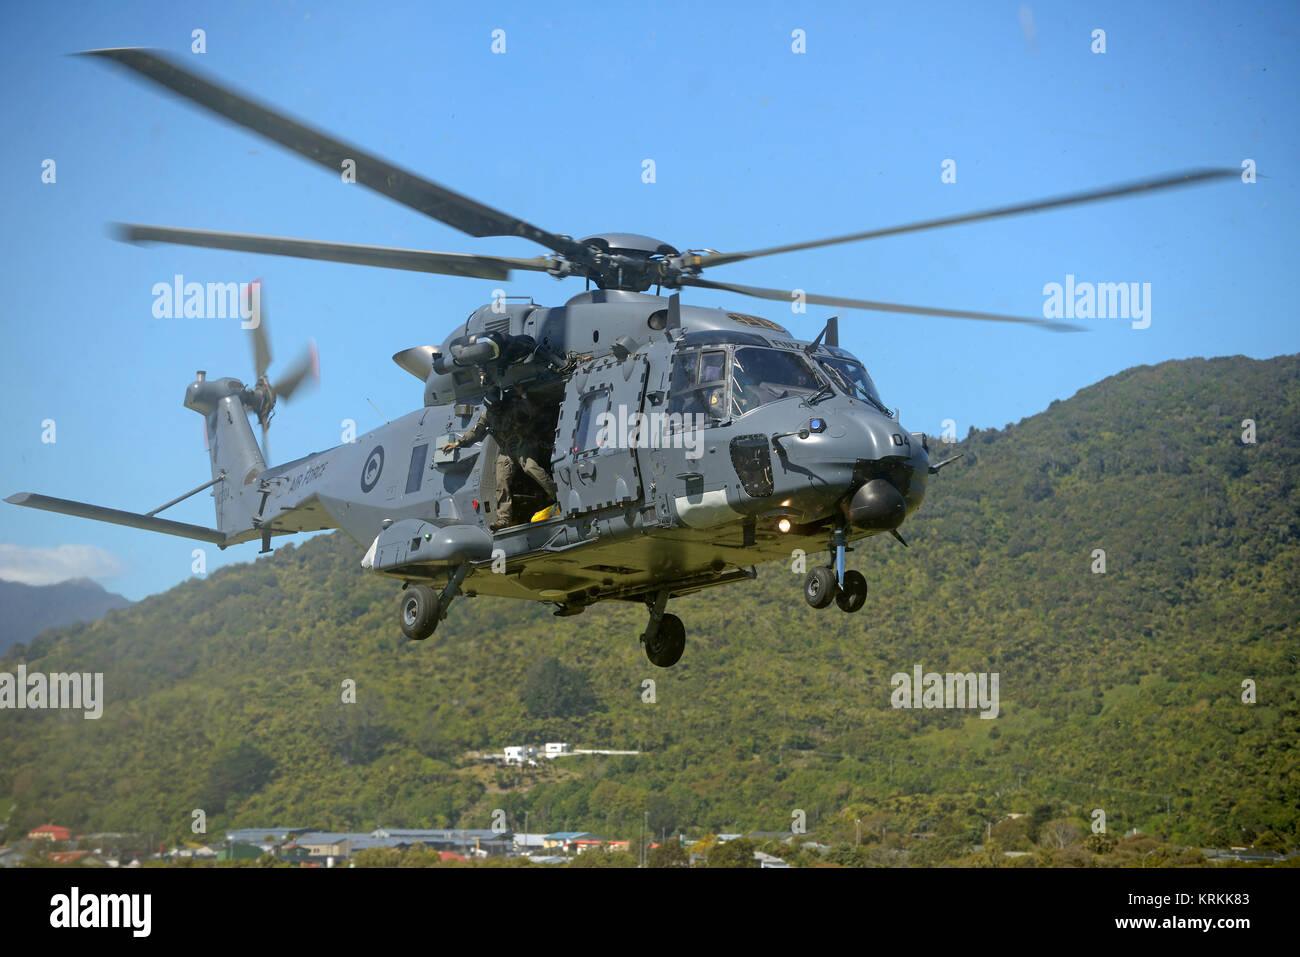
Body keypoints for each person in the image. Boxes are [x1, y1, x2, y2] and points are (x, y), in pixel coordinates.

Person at [443, 386, 557, 532]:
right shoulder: (488, 414)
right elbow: (477, 431)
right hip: (507, 448)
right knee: (502, 478)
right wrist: (459, 443)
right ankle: (503, 519)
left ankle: (556, 494)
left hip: (523, 441)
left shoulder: (512, 407)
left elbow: (531, 411)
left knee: (530, 467)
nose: (494, 412)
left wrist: (523, 395)